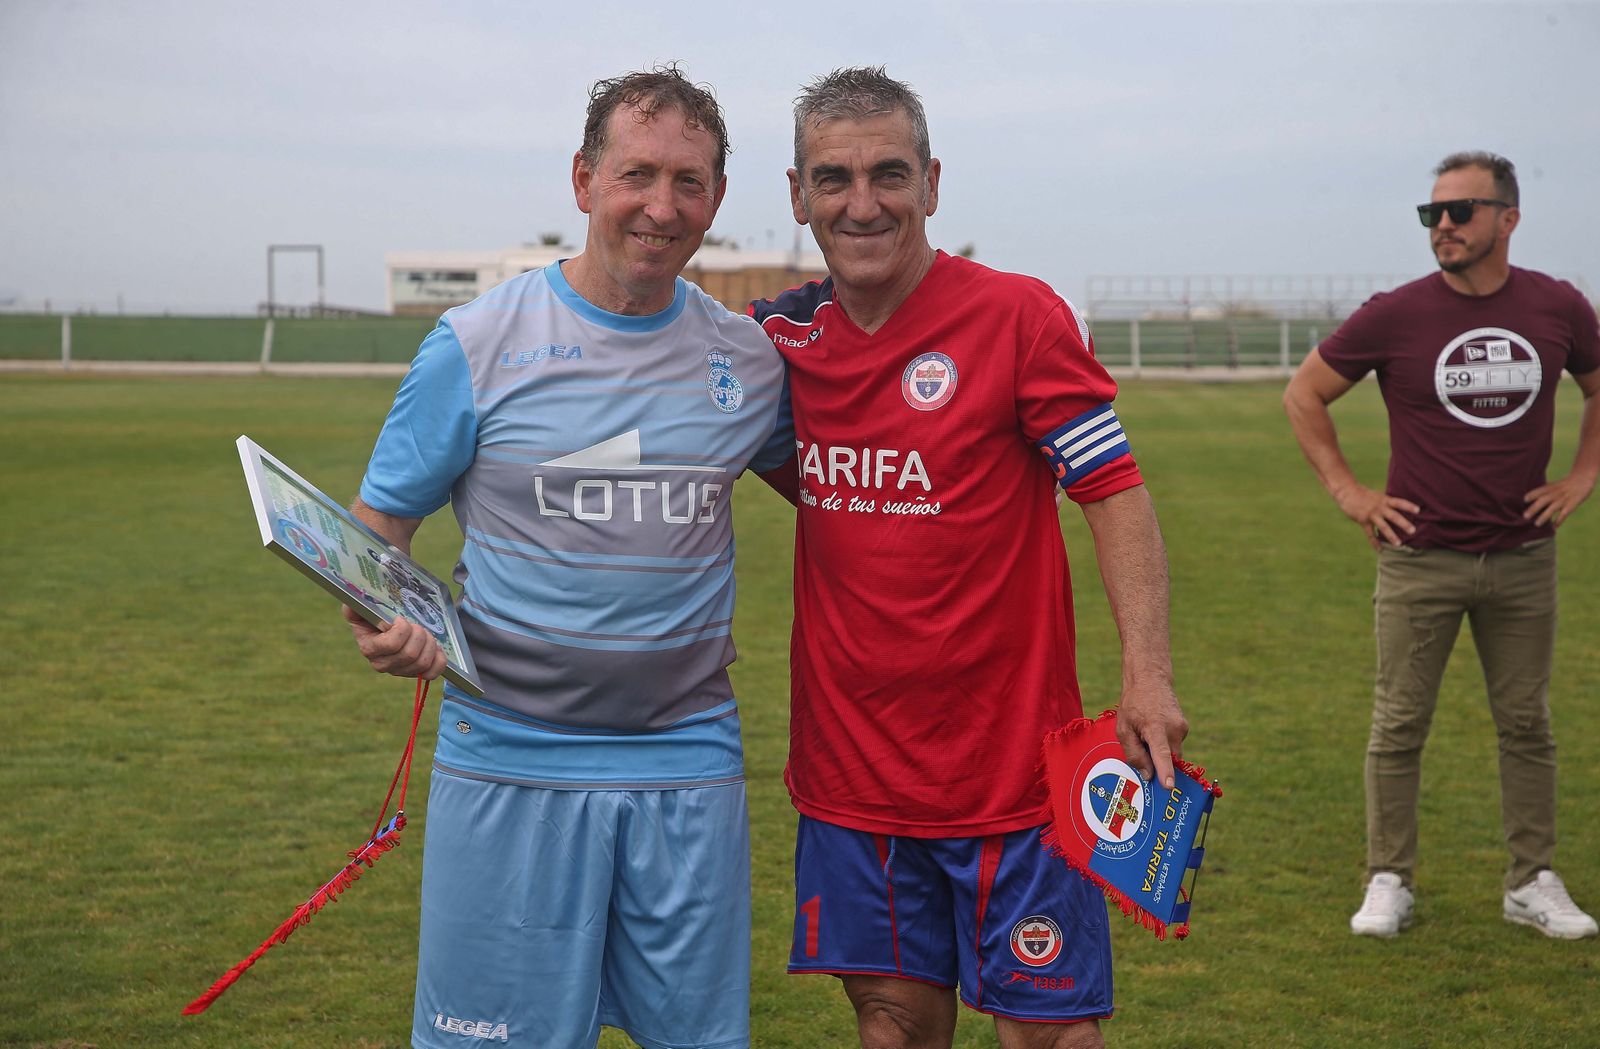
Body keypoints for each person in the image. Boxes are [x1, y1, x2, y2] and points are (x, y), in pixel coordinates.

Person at [343, 66, 793, 1048]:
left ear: (715, 200)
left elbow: (858, 493)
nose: (661, 206)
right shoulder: (475, 343)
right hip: (507, 757)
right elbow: (375, 532)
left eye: (689, 182)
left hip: (687, 760)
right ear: (584, 179)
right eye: (638, 174)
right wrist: (393, 615)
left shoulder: (748, 363)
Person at [749, 68, 1188, 1049]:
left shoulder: (1017, 318)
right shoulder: (778, 339)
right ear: (796, 194)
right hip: (853, 772)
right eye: (833, 179)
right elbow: (791, 463)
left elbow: (1110, 488)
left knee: (1050, 1029)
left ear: (932, 182)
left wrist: (1146, 678)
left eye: (888, 173)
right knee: (892, 1022)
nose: (862, 203)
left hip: (1012, 770)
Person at [1284, 151, 1600, 941]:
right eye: (1433, 214)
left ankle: (1531, 881)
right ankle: (1388, 876)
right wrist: (1351, 493)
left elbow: (1599, 386)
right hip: (1420, 558)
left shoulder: (1559, 307)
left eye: (1460, 211)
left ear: (1509, 219)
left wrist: (1582, 475)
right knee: (1397, 725)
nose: (1444, 227)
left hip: (1525, 556)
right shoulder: (1397, 314)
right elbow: (1305, 393)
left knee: (1527, 724)